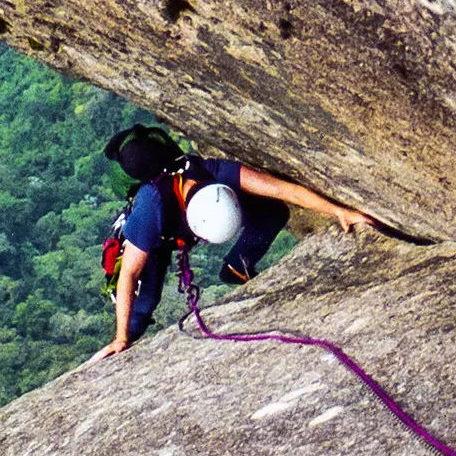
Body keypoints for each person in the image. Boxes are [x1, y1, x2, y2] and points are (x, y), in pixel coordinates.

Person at [89, 125, 375, 363]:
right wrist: (121, 337)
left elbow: (279, 188)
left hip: (183, 208)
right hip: (155, 239)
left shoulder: (213, 171)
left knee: (272, 210)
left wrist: (340, 211)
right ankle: (122, 346)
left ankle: (238, 265)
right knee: (144, 303)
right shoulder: (151, 210)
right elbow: (128, 274)